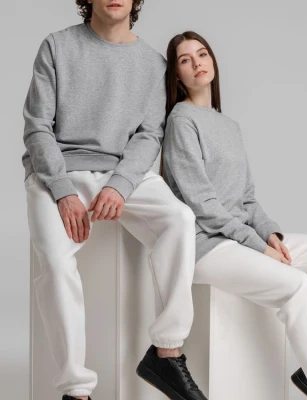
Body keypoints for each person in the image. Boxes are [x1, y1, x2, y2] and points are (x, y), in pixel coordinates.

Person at [22, 2, 207, 400]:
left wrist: (120, 184)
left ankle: (167, 352)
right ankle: (76, 389)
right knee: (55, 263)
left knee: (179, 218)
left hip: (121, 172)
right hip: (59, 172)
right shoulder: (57, 46)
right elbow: (37, 128)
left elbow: (149, 135)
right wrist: (62, 189)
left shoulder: (153, 64)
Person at [160, 31, 307, 400]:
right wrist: (257, 246)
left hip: (241, 239)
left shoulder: (228, 126)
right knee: (297, 286)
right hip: (206, 245)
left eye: (202, 54)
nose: (197, 63)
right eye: (186, 60)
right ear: (178, 76)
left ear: (213, 61)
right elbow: (202, 204)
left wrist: (271, 236)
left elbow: (247, 199)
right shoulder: (181, 121)